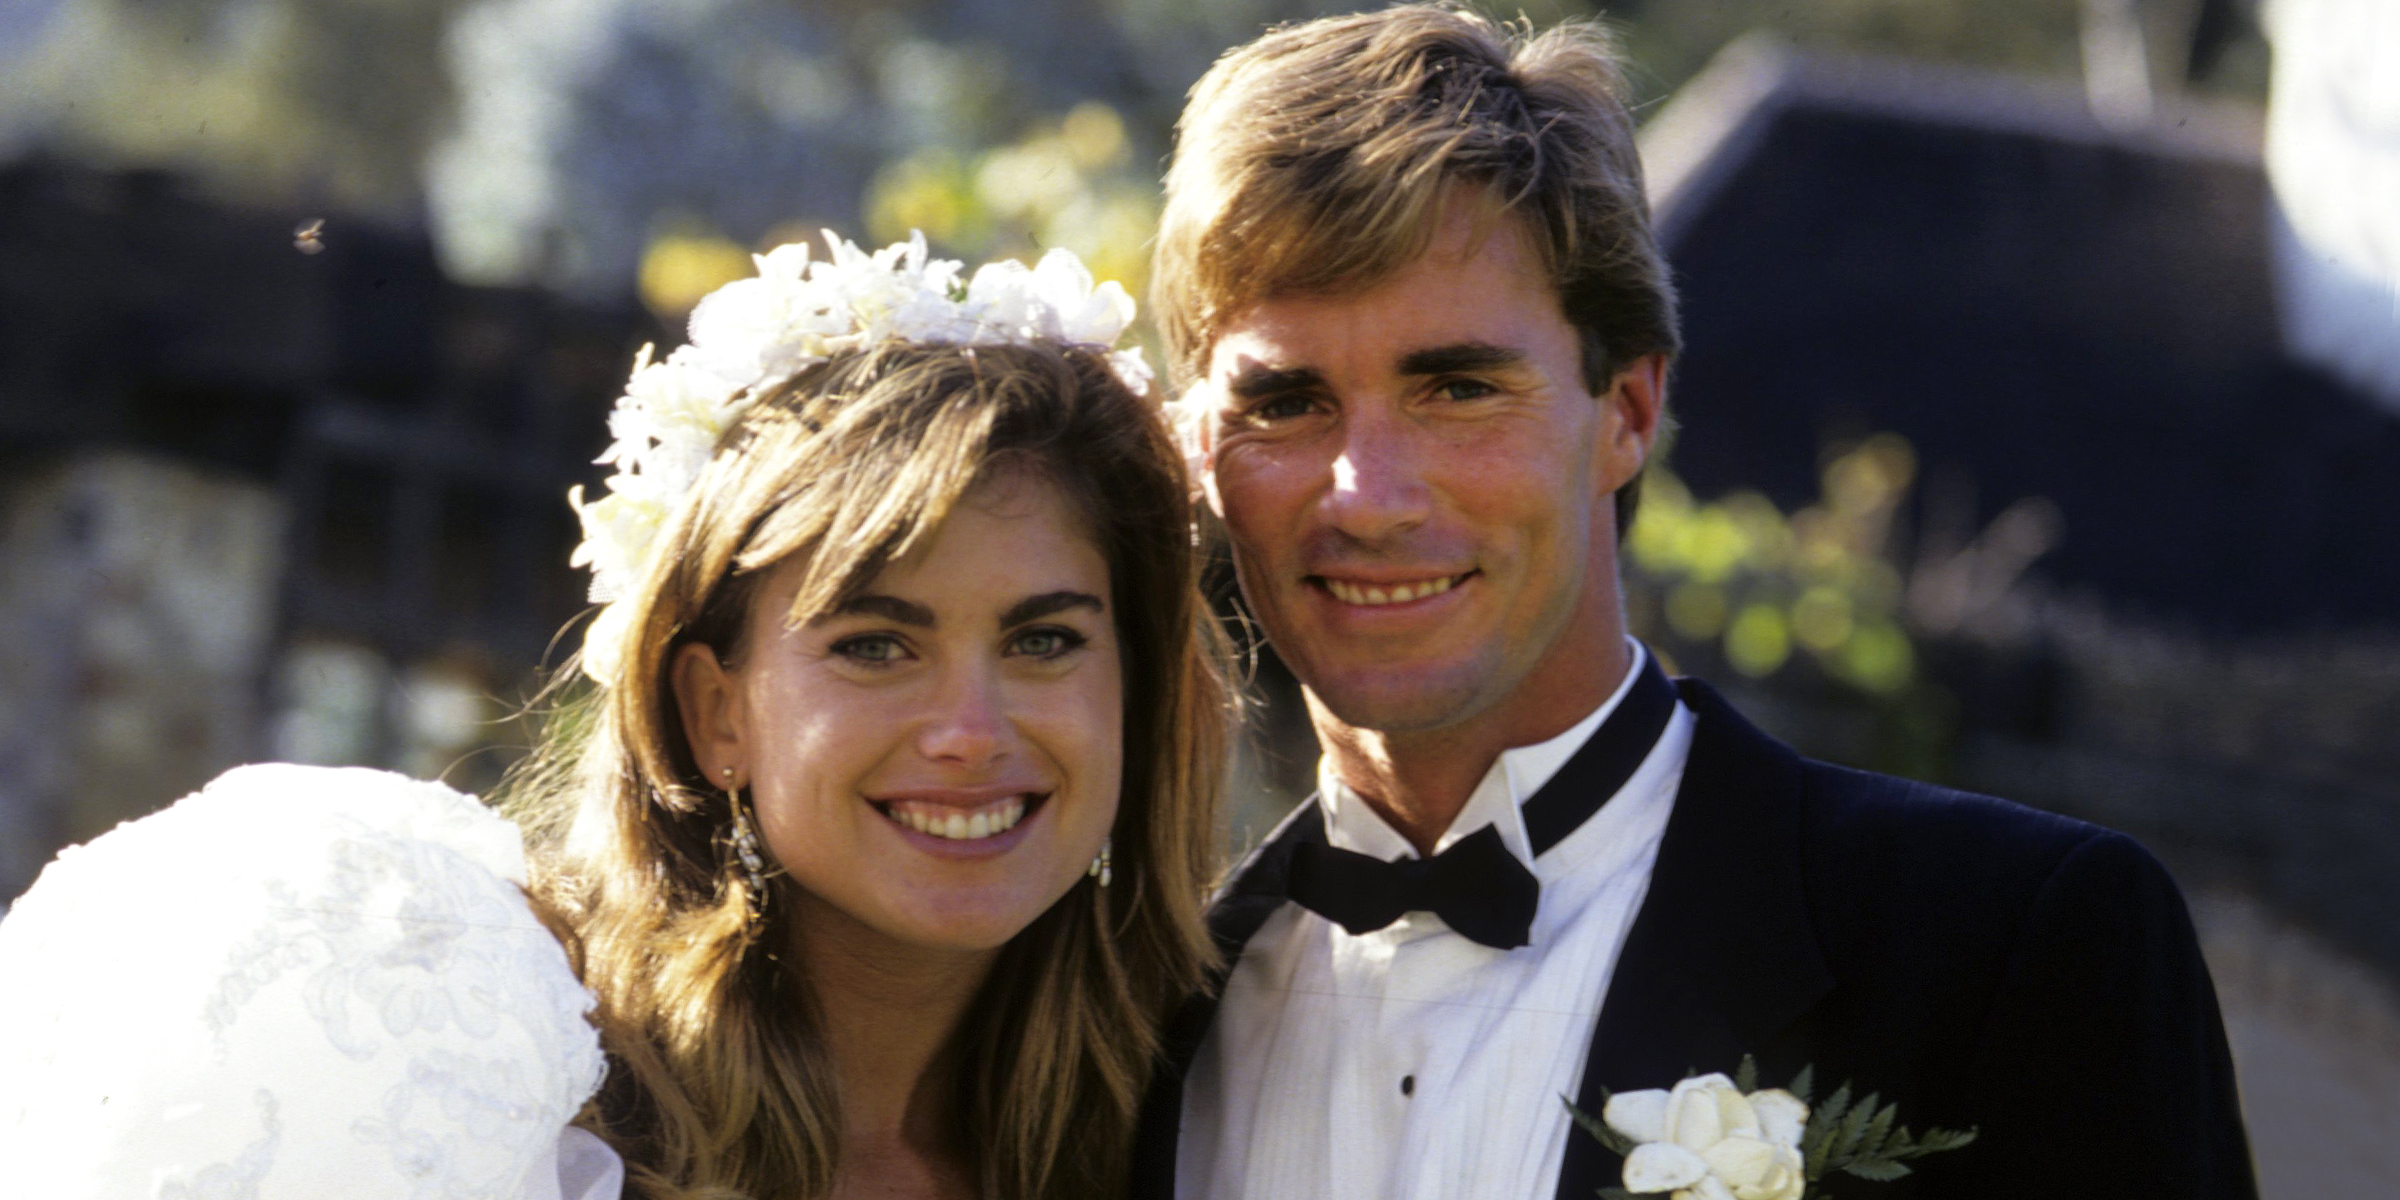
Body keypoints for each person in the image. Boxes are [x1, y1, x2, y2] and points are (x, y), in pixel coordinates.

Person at [1129, 7, 2256, 1200]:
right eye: (1288, 401)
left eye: (1458, 387)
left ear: (1625, 409)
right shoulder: (1121, 1027)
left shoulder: (2012, 950)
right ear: (1197, 445)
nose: (1368, 496)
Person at [0, 234, 1229, 1200]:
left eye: (1044, 640)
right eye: (875, 645)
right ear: (714, 713)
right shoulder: (437, 1078)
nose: (971, 727)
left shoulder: (1220, 1113)